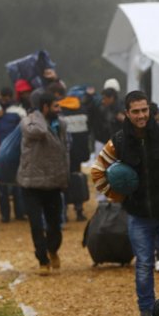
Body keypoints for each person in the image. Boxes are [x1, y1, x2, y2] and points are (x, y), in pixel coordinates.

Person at [90, 90, 159, 316]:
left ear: (150, 110)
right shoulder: (119, 140)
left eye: (144, 110)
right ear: (127, 113)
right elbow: (97, 171)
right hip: (138, 215)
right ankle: (145, 309)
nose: (141, 115)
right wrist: (118, 196)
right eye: (135, 111)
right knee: (144, 263)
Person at [17, 91, 69, 275]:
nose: (59, 109)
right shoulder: (30, 121)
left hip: (53, 183)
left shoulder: (60, 125)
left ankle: (52, 249)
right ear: (45, 107)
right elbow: (38, 131)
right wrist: (38, 114)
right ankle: (42, 259)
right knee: (36, 225)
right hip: (31, 183)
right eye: (55, 106)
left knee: (55, 225)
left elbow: (65, 153)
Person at [0, 87, 27, 223]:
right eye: (3, 96)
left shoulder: (18, 110)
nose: (5, 99)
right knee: (2, 185)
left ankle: (19, 212)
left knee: (17, 183)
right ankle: (5, 215)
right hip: (0, 151)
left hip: (15, 151)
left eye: (7, 96)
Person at [58, 88, 91, 221]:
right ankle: (79, 210)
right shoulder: (83, 110)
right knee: (77, 179)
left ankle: (64, 212)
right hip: (78, 153)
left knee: (63, 181)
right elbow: (86, 134)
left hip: (64, 154)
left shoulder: (60, 112)